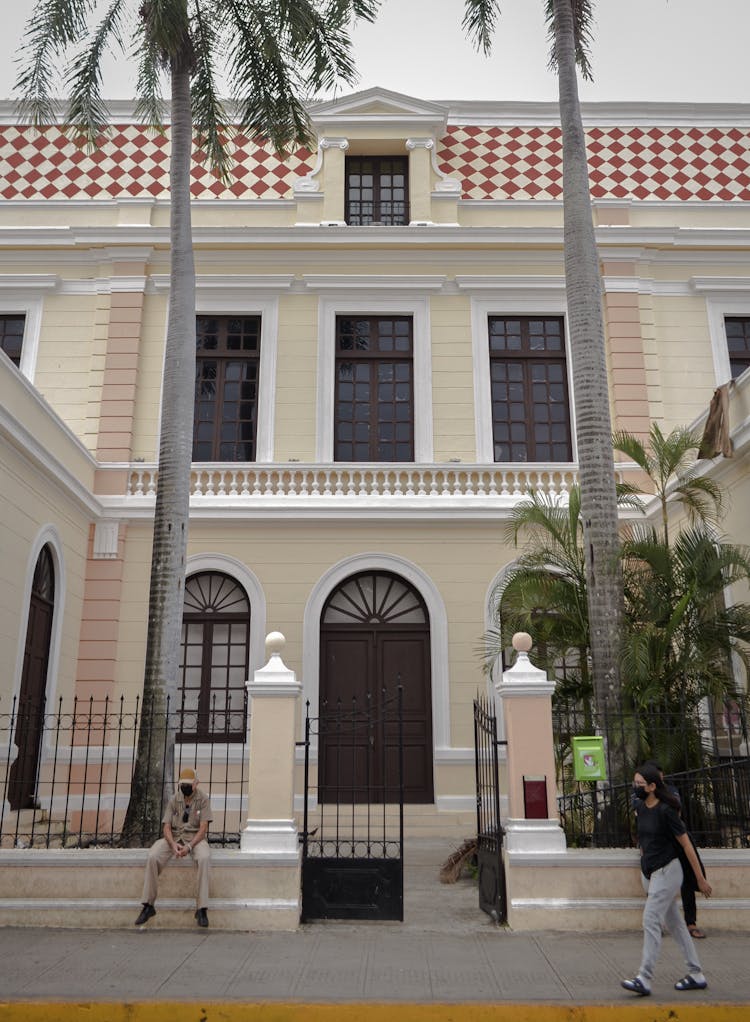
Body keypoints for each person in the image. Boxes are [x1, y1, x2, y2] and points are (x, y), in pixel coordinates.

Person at [621, 762, 712, 997]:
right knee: (676, 925)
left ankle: (645, 977)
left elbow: (686, 845)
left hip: (668, 871)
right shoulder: (641, 807)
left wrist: (700, 879)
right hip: (652, 873)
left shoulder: (666, 811)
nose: (636, 787)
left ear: (652, 786)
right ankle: (696, 974)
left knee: (650, 919)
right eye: (635, 783)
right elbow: (644, 842)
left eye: (640, 784)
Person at [135, 767, 212, 928]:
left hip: (194, 838)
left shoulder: (203, 799)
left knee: (204, 858)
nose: (185, 787)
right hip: (174, 837)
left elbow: (203, 828)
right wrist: (172, 844)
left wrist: (189, 847)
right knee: (153, 856)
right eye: (182, 784)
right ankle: (148, 905)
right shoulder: (174, 799)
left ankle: (202, 908)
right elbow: (166, 827)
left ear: (196, 784)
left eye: (188, 784)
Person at [640, 760, 707, 939]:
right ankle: (658, 923)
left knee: (686, 882)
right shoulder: (641, 797)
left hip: (675, 839)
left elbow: (675, 814)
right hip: (656, 847)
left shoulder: (671, 793)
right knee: (655, 888)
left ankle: (691, 923)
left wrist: (701, 879)